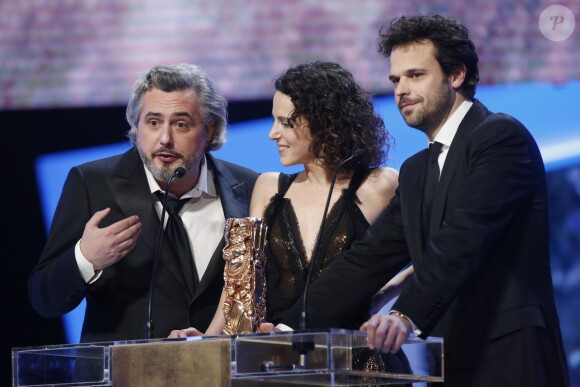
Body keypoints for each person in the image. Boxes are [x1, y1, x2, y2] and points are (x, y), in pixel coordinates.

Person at [275, 15, 570, 386]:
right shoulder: (416, 170)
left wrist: (404, 315)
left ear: (457, 75)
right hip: (449, 361)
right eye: (396, 80)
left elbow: (463, 239)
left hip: (509, 356)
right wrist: (289, 327)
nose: (401, 90)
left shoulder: (499, 138)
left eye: (415, 75)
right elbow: (369, 258)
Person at [28, 64, 259, 343]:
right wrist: (85, 258)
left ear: (208, 131)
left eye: (181, 124)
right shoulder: (91, 183)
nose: (165, 139)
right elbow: (44, 299)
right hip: (126, 375)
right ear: (137, 127)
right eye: (153, 122)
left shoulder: (248, 187)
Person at [169, 60, 400, 337]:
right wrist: (208, 341)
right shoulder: (269, 188)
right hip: (282, 361)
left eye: (286, 122)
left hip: (358, 363)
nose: (272, 134)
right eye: (273, 120)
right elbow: (240, 286)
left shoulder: (380, 184)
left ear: (326, 122)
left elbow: (428, 260)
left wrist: (379, 301)